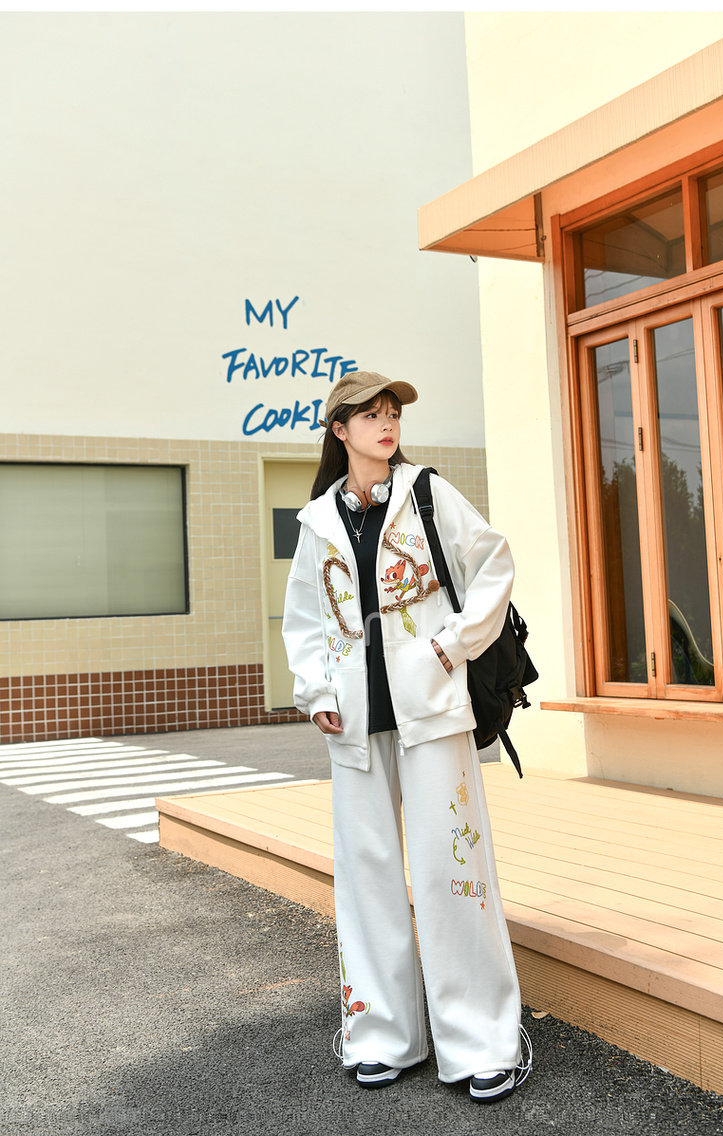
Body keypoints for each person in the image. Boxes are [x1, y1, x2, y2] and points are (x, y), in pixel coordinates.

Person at [282, 371, 527, 1102]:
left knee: (454, 872)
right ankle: (381, 1035)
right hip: (356, 724)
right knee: (368, 878)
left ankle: (482, 1041)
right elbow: (305, 619)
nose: (387, 424)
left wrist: (453, 644)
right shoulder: (318, 520)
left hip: (433, 711)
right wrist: (316, 693)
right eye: (371, 415)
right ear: (340, 430)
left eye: (392, 414)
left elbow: (494, 563)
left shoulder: (427, 493)